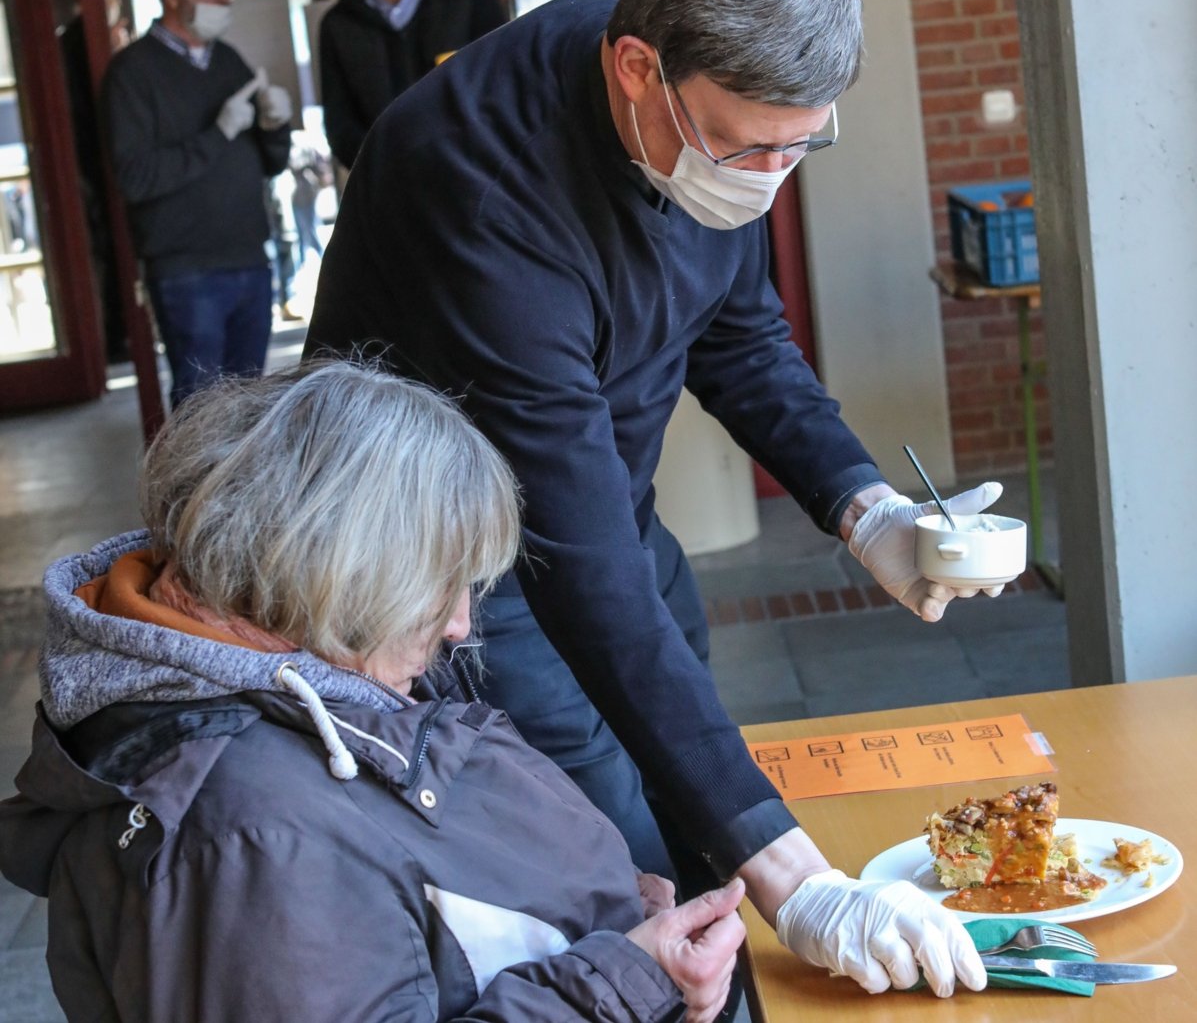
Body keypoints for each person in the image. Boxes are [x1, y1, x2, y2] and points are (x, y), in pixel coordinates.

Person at [305, 0, 996, 998]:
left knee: (708, 830)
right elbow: (578, 565)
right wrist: (802, 882)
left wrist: (870, 509)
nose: (769, 175)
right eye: (750, 146)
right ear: (637, 70)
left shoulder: (707, 95)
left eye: (799, 145)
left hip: (614, 525)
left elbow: (743, 337)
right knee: (624, 896)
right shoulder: (482, 186)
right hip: (459, 589)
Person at [0, 362, 747, 1022]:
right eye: (442, 584)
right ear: (338, 570)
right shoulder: (253, 837)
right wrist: (620, 982)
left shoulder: (304, 672)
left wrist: (624, 932)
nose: (458, 624)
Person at [101, 0, 293, 407]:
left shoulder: (228, 61)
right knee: (200, 409)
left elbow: (270, 164)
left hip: (249, 258)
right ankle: (195, 483)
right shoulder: (132, 73)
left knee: (249, 409)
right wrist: (218, 134)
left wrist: (275, 126)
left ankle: (239, 483)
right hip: (187, 270)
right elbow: (136, 179)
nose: (224, 0)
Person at [319, 0, 507, 169]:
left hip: (484, 175)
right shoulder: (337, 26)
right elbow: (340, 127)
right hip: (395, 190)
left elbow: (506, 84)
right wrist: (390, 174)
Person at [58, 0, 130, 363]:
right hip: (93, 160)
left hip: (112, 156)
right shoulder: (77, 41)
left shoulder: (111, 35)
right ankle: (114, 335)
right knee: (106, 247)